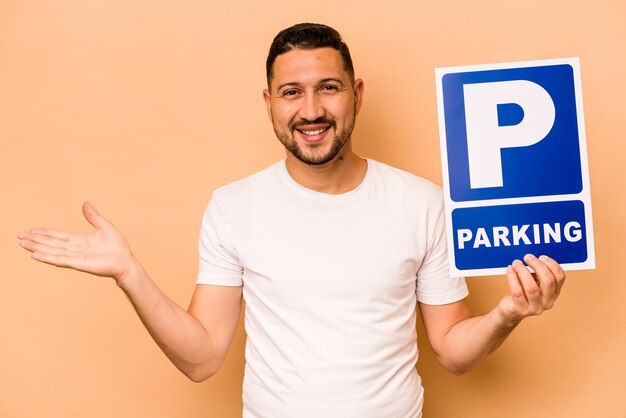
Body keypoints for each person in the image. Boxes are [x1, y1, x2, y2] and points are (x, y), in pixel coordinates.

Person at [17, 23, 566, 418]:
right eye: (291, 92)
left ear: (357, 94)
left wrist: (509, 312)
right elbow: (203, 357)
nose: (310, 110)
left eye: (328, 87)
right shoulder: (234, 207)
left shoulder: (421, 202)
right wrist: (128, 272)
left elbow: (452, 350)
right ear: (269, 102)